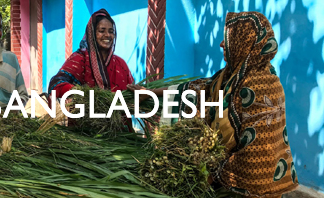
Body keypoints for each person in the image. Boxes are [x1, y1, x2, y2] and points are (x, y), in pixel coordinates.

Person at [127, 12, 298, 197]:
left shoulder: (262, 86)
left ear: (245, 41)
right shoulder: (231, 77)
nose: (222, 44)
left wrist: (209, 174)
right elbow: (197, 88)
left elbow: (256, 158)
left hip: (251, 189)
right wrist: (150, 93)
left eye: (228, 38)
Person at [48, 8, 134, 98]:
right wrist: (82, 93)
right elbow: (56, 83)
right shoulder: (80, 59)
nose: (107, 35)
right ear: (92, 34)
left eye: (111, 31)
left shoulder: (121, 64)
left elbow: (131, 95)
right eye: (101, 31)